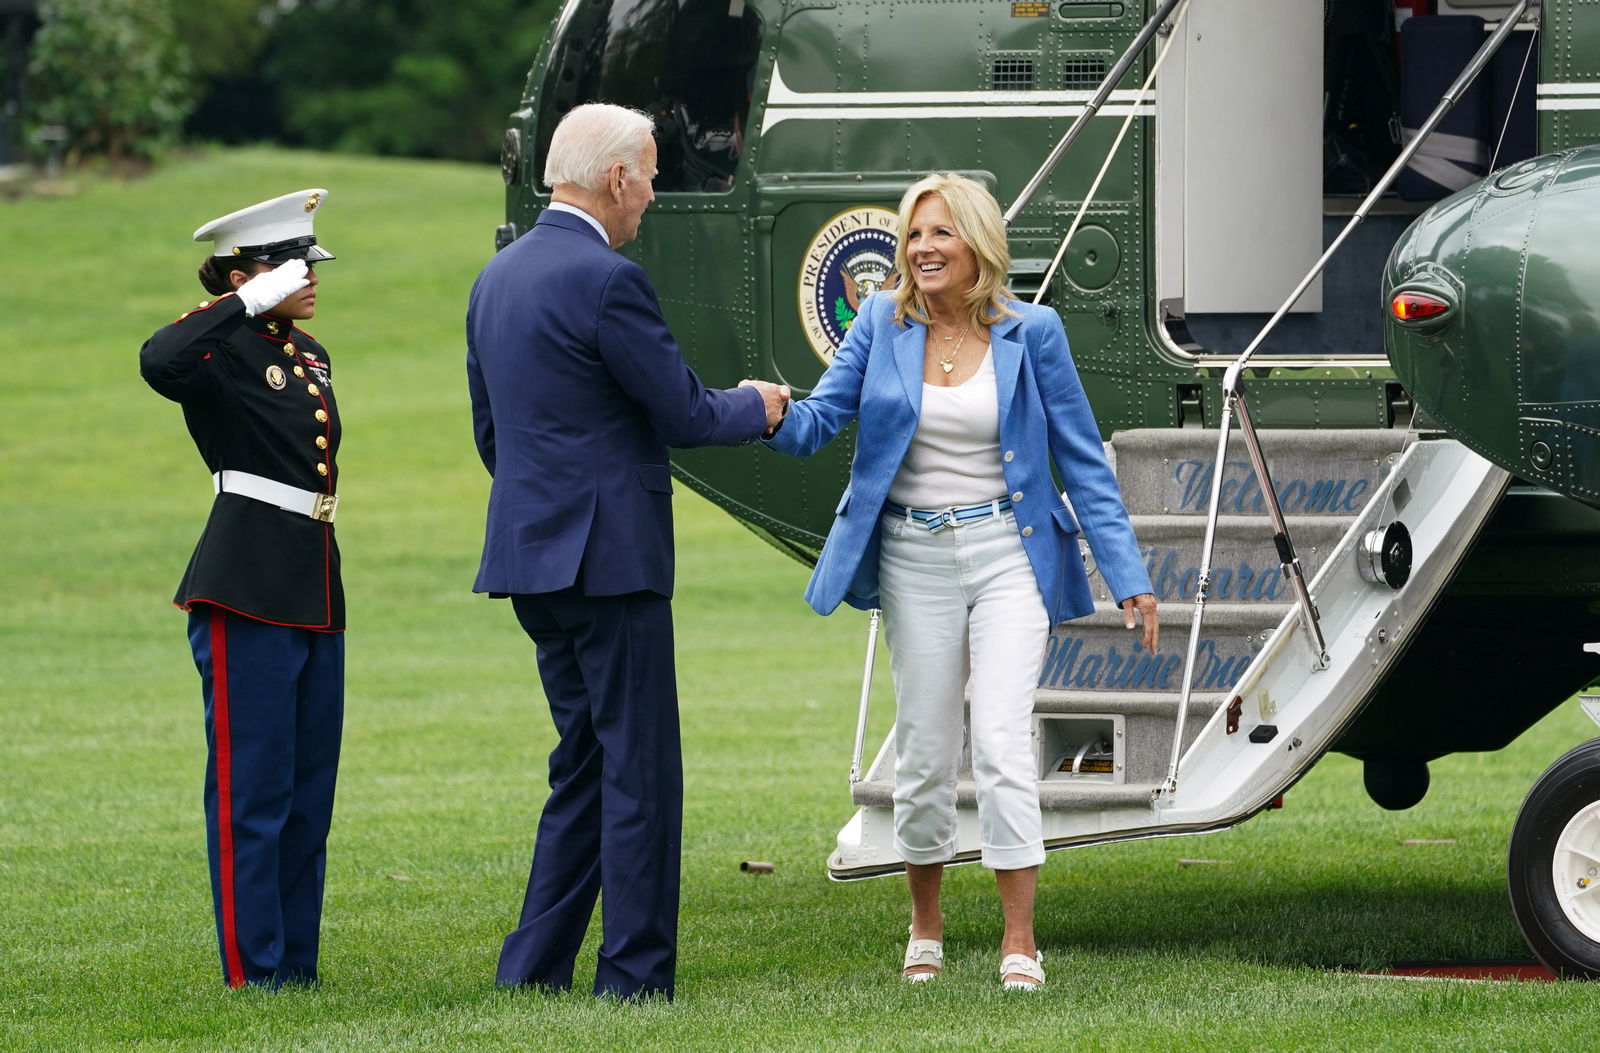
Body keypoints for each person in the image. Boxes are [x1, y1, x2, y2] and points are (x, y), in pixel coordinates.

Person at [762, 173, 1158, 991]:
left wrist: (1129, 576)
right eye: (912, 236)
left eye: (939, 234)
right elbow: (819, 422)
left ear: (977, 243)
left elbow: (1081, 459)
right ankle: (926, 925)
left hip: (1009, 553)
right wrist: (758, 412)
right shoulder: (880, 322)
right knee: (927, 750)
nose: (921, 249)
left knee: (1005, 742)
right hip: (912, 558)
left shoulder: (1033, 331)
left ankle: (1020, 941)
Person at [465, 102, 788, 1002]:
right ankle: (635, 976)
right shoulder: (609, 281)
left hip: (532, 559)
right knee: (639, 769)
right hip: (611, 562)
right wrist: (760, 404)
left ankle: (531, 969)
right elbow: (683, 410)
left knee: (583, 762)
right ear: (614, 179)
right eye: (649, 173)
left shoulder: (496, 277)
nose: (652, 193)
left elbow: (495, 436)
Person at [139, 189, 344, 988]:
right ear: (245, 273)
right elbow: (160, 359)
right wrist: (242, 301)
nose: (312, 276)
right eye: (295, 265)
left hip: (314, 576)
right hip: (246, 577)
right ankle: (251, 970)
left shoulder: (310, 354)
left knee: (305, 792)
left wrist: (267, 298)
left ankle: (296, 965)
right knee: (250, 789)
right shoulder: (216, 347)